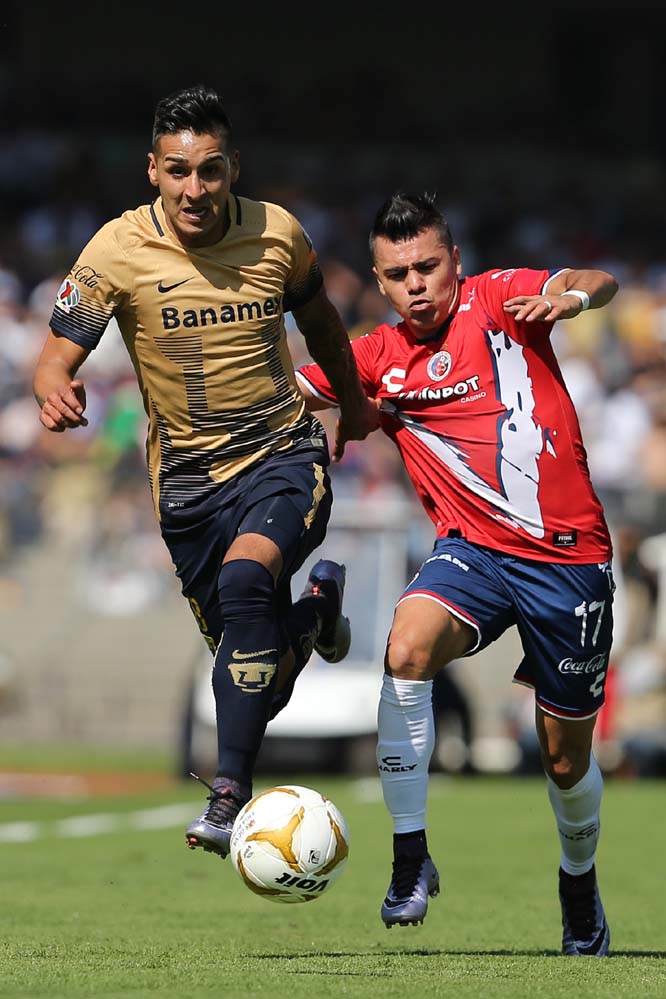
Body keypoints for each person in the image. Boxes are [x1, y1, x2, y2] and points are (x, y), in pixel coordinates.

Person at [33, 85, 378, 859]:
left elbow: (320, 321)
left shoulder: (278, 234)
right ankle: (316, 608)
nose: (197, 189)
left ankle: (228, 796)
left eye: (212, 170)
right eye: (180, 170)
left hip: (281, 455)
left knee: (248, 585)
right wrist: (55, 390)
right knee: (257, 670)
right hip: (188, 489)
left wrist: (351, 404)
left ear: (232, 169)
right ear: (153, 170)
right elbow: (54, 359)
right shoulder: (115, 252)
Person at [296, 192, 618, 956]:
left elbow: (593, 278)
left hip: (567, 558)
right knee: (405, 648)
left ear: (456, 264)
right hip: (470, 553)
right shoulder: (374, 358)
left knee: (565, 757)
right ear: (379, 281)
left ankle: (580, 884)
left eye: (428, 265)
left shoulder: (502, 300)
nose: (416, 282)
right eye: (398, 272)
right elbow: (290, 392)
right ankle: (411, 862)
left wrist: (571, 295)